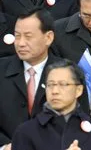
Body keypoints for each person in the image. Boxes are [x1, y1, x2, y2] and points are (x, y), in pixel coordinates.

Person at [10, 59, 91, 150]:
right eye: (50, 85)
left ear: (79, 90)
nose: (55, 91)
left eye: (63, 84)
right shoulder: (26, 132)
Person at [0, 9, 60, 148]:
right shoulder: (1, 69)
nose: (20, 43)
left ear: (49, 37)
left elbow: (76, 123)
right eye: (17, 36)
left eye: (28, 36)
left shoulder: (68, 73)